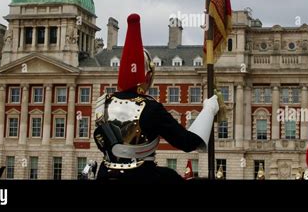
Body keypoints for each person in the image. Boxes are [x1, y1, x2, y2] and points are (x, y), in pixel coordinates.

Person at [93, 13, 219, 181]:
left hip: (105, 173)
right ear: (147, 76)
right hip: (141, 174)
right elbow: (188, 143)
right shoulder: (151, 108)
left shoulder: (102, 102)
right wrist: (209, 110)